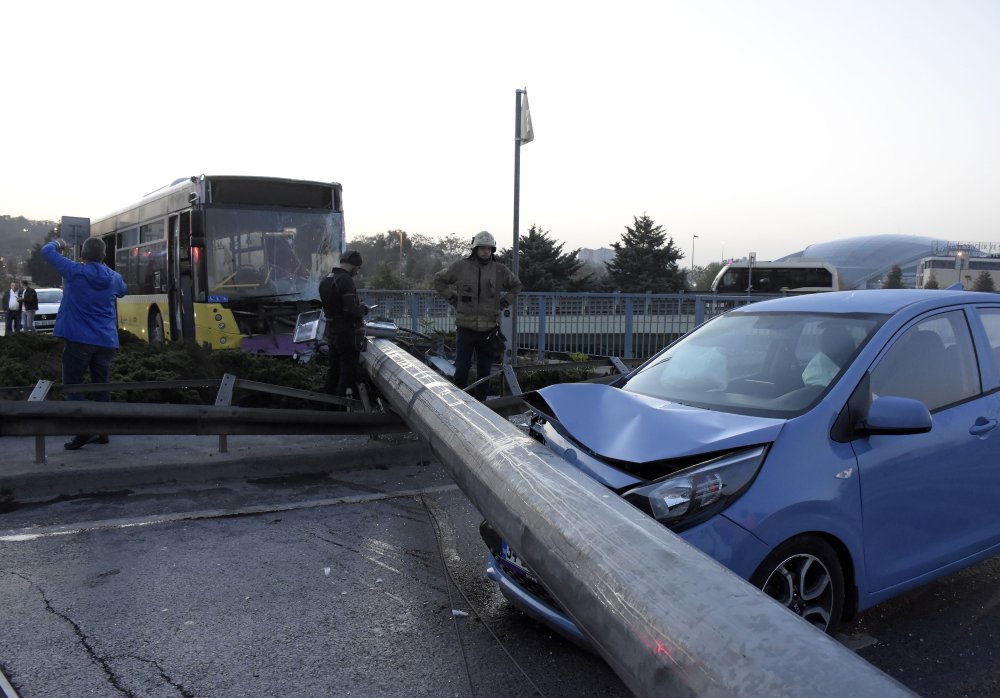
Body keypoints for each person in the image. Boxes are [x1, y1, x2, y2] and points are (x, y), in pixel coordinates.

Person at [42, 237, 128, 450]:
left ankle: (83, 429)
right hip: (106, 341)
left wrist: (59, 242)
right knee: (102, 385)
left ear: (82, 255)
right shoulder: (113, 277)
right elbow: (123, 291)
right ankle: (103, 430)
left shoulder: (74, 271)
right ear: (103, 255)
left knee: (73, 384)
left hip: (79, 339)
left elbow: (47, 251)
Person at [433, 231, 522, 400]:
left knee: (484, 370)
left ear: (492, 250)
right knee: (462, 367)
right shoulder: (460, 267)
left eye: (489, 248)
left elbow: (516, 286)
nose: (486, 251)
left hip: (489, 330)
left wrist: (504, 302)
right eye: (482, 248)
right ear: (475, 249)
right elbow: (439, 279)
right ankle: (459, 400)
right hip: (465, 328)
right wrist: (452, 298)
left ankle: (481, 402)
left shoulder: (500, 270)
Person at [319, 250, 370, 403]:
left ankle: (328, 407)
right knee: (347, 374)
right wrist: (364, 309)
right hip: (348, 334)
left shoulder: (326, 280)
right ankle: (343, 408)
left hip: (332, 332)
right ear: (353, 266)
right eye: (358, 268)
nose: (357, 272)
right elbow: (351, 310)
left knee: (333, 372)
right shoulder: (346, 280)